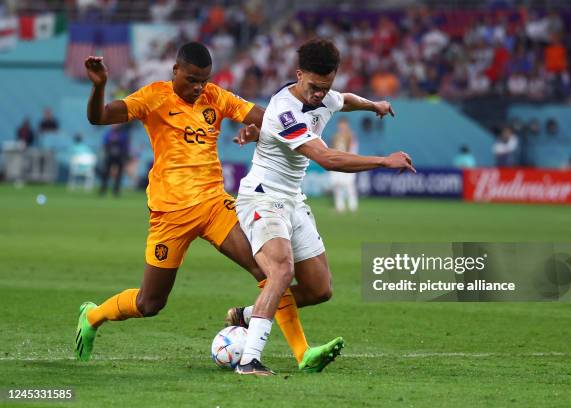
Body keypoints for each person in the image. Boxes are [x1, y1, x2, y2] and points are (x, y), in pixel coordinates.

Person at [74, 42, 274, 362]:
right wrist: (99, 87)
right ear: (175, 71)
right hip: (170, 213)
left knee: (267, 269)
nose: (198, 87)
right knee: (149, 303)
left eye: (203, 80)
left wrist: (287, 126)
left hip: (213, 204)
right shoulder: (153, 97)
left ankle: (302, 352)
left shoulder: (215, 97)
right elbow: (99, 117)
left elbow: (264, 117)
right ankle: (93, 316)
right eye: (192, 79)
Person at [228, 39, 415, 375]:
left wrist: (374, 105)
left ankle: (247, 314)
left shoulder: (326, 95)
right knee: (282, 271)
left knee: (320, 289)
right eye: (313, 86)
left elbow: (344, 100)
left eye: (324, 87)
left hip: (293, 201)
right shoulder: (284, 110)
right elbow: (326, 158)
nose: (318, 94)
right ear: (298, 74)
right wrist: (383, 161)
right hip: (262, 197)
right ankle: (249, 360)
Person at [329, 117, 359, 213]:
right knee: (337, 185)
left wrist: (351, 162)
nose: (342, 126)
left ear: (347, 125)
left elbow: (353, 150)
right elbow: (331, 150)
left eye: (343, 124)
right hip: (337, 163)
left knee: (349, 184)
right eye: (340, 124)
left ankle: (353, 206)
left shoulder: (351, 136)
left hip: (348, 162)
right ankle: (339, 206)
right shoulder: (335, 136)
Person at [99, 123, 130, 196]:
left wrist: (125, 156)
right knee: (105, 173)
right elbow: (105, 143)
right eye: (114, 124)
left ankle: (116, 191)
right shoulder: (109, 133)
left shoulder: (123, 134)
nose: (115, 126)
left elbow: (126, 146)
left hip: (120, 156)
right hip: (110, 155)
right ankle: (103, 189)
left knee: (119, 174)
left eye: (116, 124)